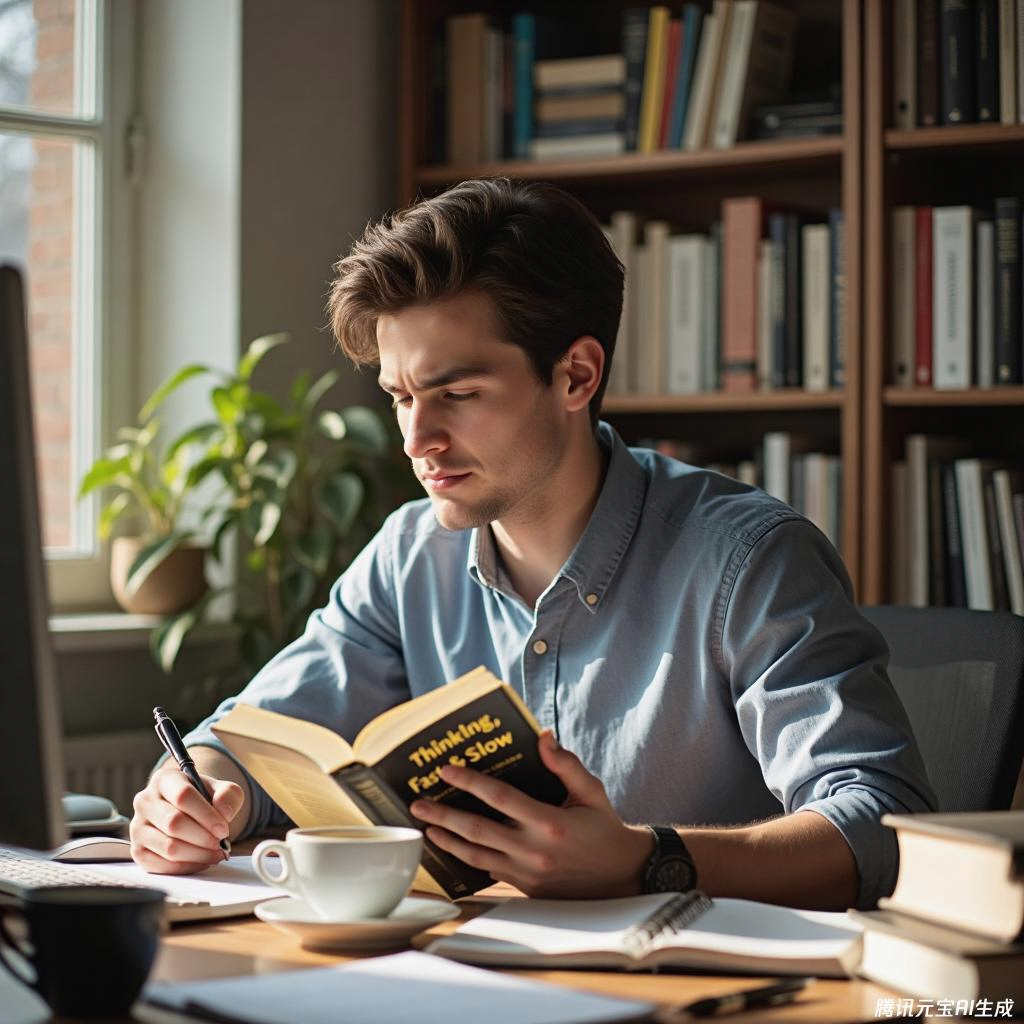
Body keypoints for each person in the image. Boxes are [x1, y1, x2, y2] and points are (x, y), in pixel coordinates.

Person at [130, 178, 935, 910]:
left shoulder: (749, 560)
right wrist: (197, 791)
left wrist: (647, 860)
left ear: (577, 376)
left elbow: (883, 825)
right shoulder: (408, 555)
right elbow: (254, 736)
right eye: (401, 397)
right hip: (473, 981)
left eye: (458, 394)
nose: (418, 440)